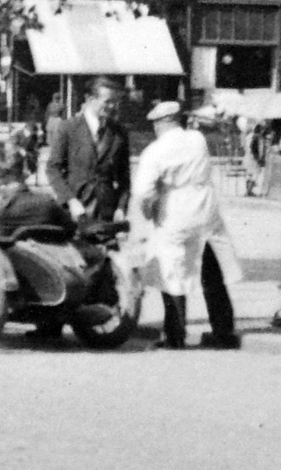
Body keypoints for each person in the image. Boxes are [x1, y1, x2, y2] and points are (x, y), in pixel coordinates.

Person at [132, 101, 242, 351]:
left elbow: (143, 191)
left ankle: (175, 335)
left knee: (172, 272)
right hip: (205, 209)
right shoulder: (197, 139)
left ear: (161, 123)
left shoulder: (155, 151)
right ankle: (223, 331)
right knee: (211, 272)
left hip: (175, 212)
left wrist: (150, 211)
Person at [46, 76, 130, 223]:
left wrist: (121, 207)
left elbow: (124, 178)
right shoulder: (68, 128)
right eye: (108, 102)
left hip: (106, 213)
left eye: (115, 102)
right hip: (75, 211)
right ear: (90, 99)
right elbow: (53, 168)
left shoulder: (119, 133)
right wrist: (70, 200)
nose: (112, 107)